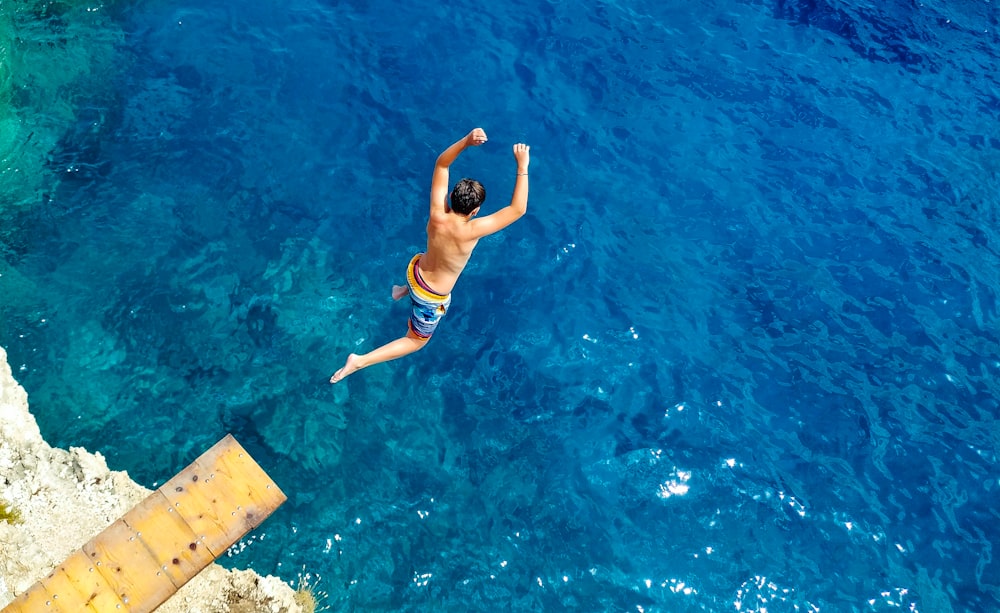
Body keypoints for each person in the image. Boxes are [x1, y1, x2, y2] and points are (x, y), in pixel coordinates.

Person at [330, 128, 530, 383]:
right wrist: (522, 165)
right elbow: (518, 208)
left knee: (428, 261)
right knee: (415, 341)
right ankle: (360, 361)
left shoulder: (438, 213)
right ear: (476, 211)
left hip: (415, 272)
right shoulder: (472, 230)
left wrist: (467, 141)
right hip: (429, 297)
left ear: (452, 198)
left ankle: (402, 290)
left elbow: (442, 164)